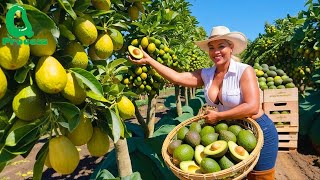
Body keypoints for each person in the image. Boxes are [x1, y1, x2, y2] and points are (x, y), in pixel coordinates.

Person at [129, 26, 278, 179]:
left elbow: (252, 107)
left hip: (258, 130)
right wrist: (149, 61)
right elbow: (177, 77)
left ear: (231, 47)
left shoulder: (244, 70)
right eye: (211, 48)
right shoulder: (207, 74)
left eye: (221, 46)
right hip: (232, 131)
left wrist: (219, 116)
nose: (216, 52)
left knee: (260, 177)